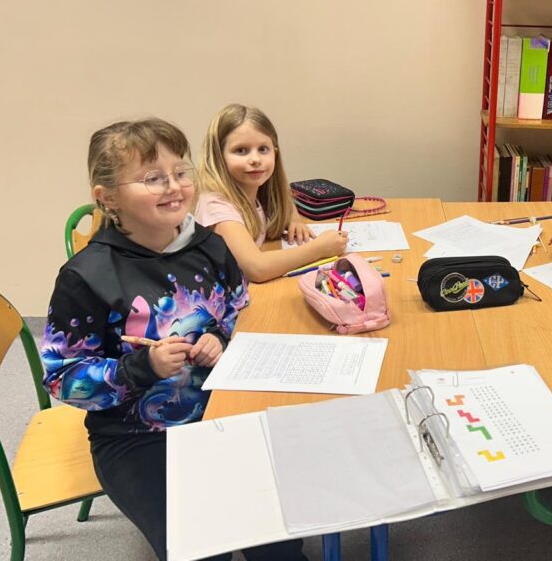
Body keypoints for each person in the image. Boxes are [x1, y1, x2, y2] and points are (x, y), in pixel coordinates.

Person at [40, 118, 306, 561]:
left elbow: (236, 306)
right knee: (200, 547)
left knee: (277, 540)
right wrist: (141, 367)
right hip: (138, 436)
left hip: (224, 411)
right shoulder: (87, 276)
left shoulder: (209, 246)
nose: (174, 186)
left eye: (181, 172)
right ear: (108, 197)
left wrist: (218, 337)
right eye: (152, 178)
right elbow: (62, 379)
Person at [196, 103, 348, 282]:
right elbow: (257, 268)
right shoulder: (215, 205)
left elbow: (283, 195)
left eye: (263, 149)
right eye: (241, 150)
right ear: (218, 156)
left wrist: (294, 219)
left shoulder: (254, 188)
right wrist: (319, 248)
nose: (255, 159)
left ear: (275, 153)